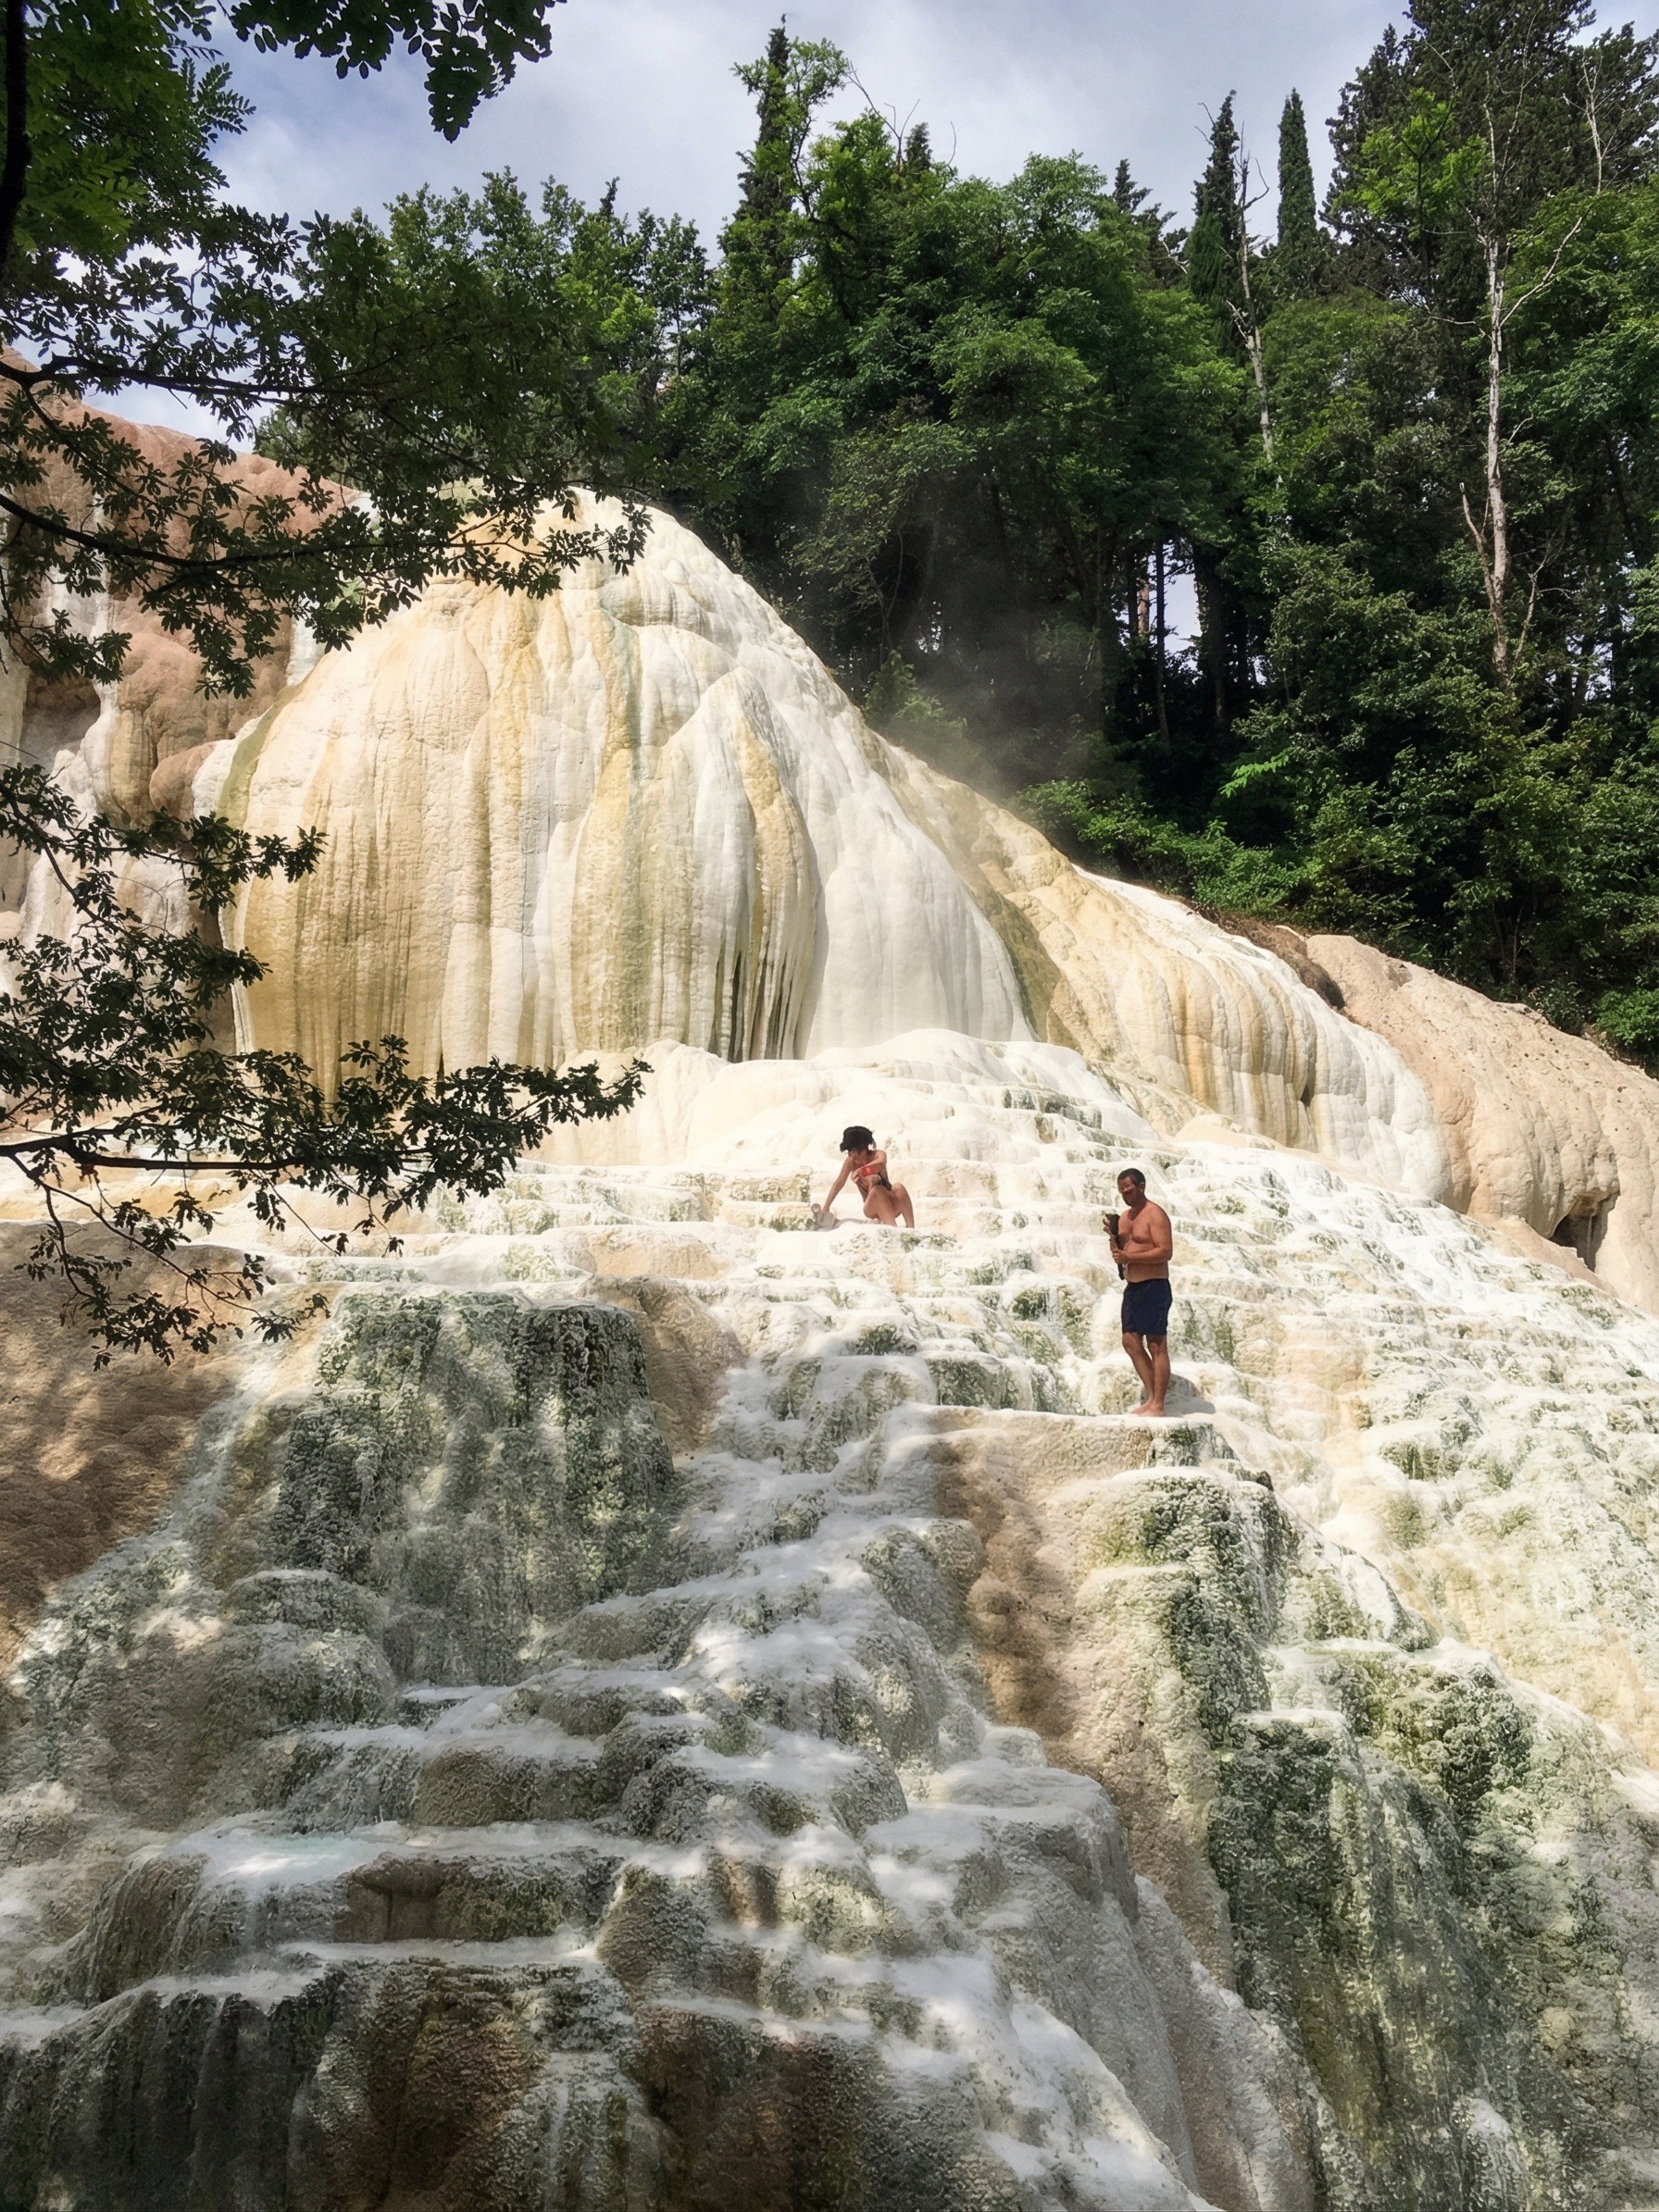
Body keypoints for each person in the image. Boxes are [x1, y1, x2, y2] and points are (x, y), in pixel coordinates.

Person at [1105, 1167, 1173, 1416]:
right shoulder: (1124, 1218)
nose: (1125, 1194)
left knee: (1156, 1344)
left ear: (1142, 1187)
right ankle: (1152, 1396)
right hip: (1132, 1287)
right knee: (1130, 1341)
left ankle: (1159, 1404)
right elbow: (1121, 1257)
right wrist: (1113, 1239)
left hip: (1154, 1286)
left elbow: (1165, 1252)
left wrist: (1128, 1255)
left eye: (1129, 1190)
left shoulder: (1155, 1214)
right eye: (1122, 1191)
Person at [818, 1125, 916, 1228]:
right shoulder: (850, 1162)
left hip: (891, 1202)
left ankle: (911, 1228)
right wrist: (826, 1207)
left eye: (852, 1151)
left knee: (899, 1187)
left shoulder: (879, 1155)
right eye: (848, 1151)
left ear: (863, 1148)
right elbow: (839, 1183)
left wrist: (862, 1171)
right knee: (876, 1190)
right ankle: (892, 1228)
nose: (850, 1155)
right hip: (872, 1207)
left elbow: (881, 1163)